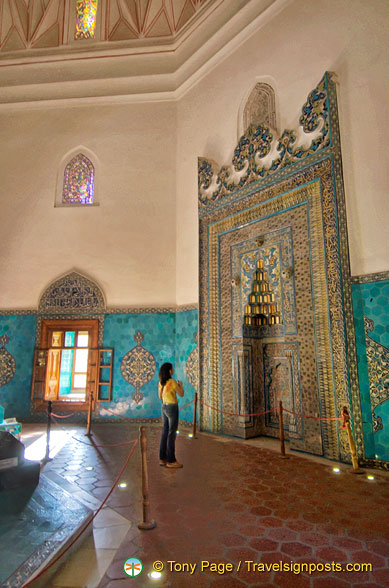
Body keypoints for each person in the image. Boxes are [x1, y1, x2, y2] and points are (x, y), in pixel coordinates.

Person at [158, 362, 184, 468]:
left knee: (165, 432)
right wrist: (180, 386)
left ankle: (162, 458)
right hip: (172, 408)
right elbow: (181, 394)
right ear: (169, 371)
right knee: (171, 433)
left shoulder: (160, 382)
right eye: (172, 368)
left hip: (164, 407)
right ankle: (171, 460)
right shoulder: (172, 382)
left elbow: (160, 396)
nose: (173, 370)